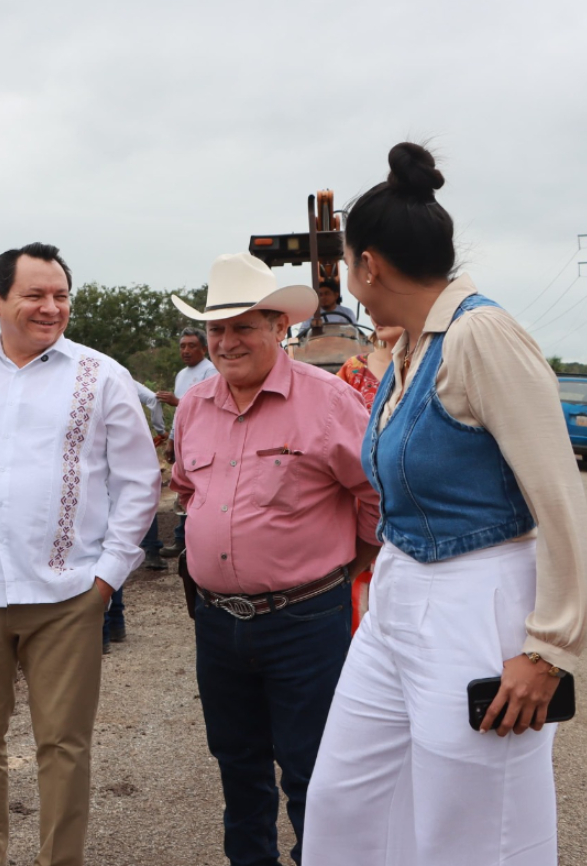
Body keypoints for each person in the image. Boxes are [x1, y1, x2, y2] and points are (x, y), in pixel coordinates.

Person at [302, 143, 587, 866]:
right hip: (401, 598)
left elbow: (557, 496)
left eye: (344, 262)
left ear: (366, 263)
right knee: (346, 798)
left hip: (476, 599)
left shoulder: (480, 336)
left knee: (473, 827)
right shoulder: (409, 346)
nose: (345, 278)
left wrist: (547, 649)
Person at [0, 242, 160, 866]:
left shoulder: (101, 376)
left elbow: (138, 480)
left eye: (61, 297)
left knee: (64, 747)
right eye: (36, 295)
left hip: (67, 596)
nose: (51, 308)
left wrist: (107, 576)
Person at [169, 252, 380, 866]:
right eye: (217, 329)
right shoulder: (193, 406)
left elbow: (373, 495)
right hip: (216, 621)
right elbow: (186, 487)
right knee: (238, 766)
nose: (227, 342)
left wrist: (345, 564)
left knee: (314, 770)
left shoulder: (328, 400)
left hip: (305, 621)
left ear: (278, 327)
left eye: (244, 326)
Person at [334, 321, 403, 632]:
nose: (381, 316)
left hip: (413, 502)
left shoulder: (439, 367)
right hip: (365, 501)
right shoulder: (353, 370)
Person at [100, 381, 169, 652]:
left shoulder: (97, 376)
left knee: (103, 542)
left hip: (103, 462)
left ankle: (105, 630)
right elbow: (153, 399)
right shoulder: (116, 374)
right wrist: (158, 429)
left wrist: (161, 431)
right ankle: (115, 623)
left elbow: (153, 399)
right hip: (128, 453)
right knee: (123, 523)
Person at [156, 327, 218, 557]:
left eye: (192, 346)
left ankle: (198, 539)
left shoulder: (210, 371)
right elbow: (180, 416)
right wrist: (171, 441)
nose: (186, 350)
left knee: (201, 487)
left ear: (204, 348)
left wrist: (176, 401)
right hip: (184, 439)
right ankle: (182, 539)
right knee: (183, 488)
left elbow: (208, 406)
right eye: (182, 346)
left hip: (204, 439)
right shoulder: (181, 374)